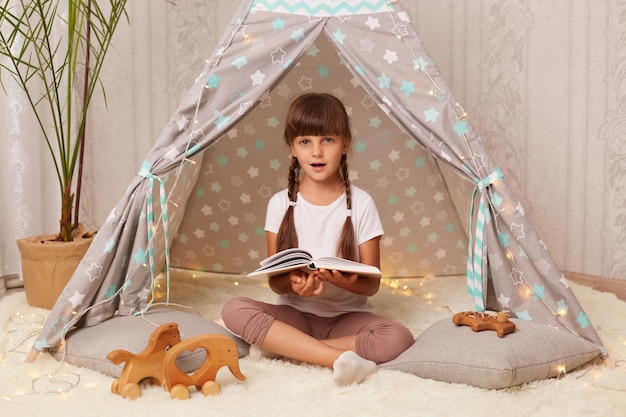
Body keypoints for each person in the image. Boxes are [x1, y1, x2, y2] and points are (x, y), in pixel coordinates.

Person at [221, 93, 414, 386]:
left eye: (327, 140)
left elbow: (372, 283)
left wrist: (343, 281)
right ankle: (334, 358)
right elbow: (276, 281)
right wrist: (295, 286)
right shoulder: (279, 204)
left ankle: (285, 346)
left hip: (347, 319)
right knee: (233, 309)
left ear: (345, 144)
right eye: (305, 142)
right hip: (295, 314)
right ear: (293, 148)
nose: (317, 152)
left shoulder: (362, 204)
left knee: (399, 337)